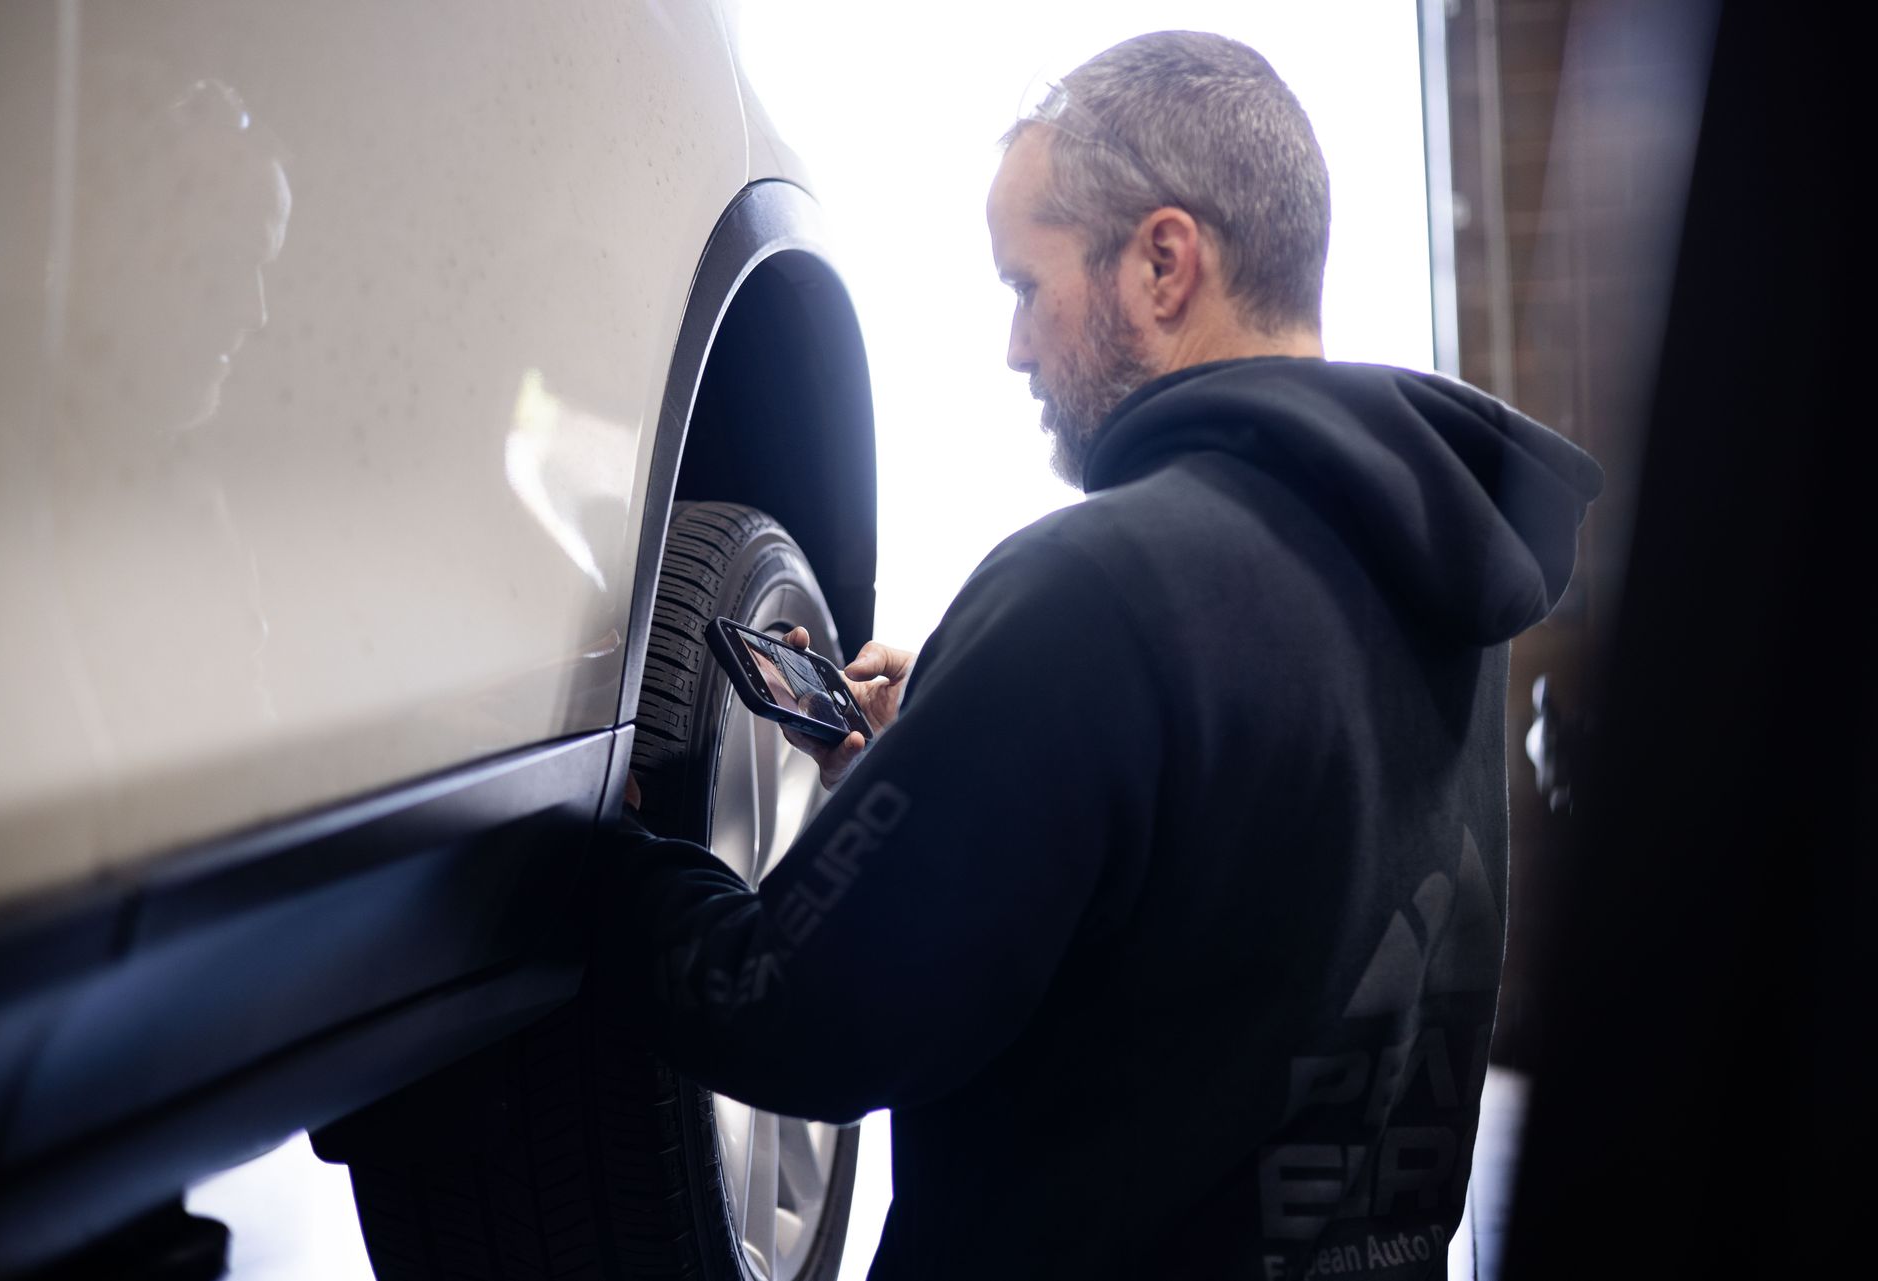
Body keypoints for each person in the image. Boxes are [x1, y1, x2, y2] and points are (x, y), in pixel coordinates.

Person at [598, 29, 1602, 1280]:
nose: (1015, 347)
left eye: (1027, 286)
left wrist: (596, 867)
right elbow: (1220, 919)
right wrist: (965, 761)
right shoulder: (1444, 581)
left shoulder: (1095, 592)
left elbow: (796, 1020)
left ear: (1163, 262)